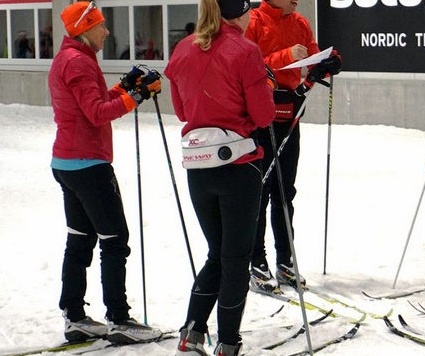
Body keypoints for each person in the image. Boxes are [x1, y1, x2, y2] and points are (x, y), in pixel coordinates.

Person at [165, 0, 275, 355]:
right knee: (234, 259)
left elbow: (182, 109)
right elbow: (262, 115)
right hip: (238, 166)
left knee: (218, 254)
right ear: (239, 12)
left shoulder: (184, 48)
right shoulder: (244, 50)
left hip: (199, 167)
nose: (250, 15)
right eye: (248, 9)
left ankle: (192, 331)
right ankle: (228, 342)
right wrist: (265, 88)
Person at [49, 1, 162, 345]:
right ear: (85, 28)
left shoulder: (72, 58)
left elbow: (90, 104)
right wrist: (137, 96)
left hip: (68, 162)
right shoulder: (79, 62)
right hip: (88, 164)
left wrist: (126, 87)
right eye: (101, 25)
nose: (107, 31)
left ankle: (75, 316)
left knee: (81, 239)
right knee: (115, 239)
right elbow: (98, 113)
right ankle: (119, 318)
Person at [244, 0, 342, 292]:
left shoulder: (299, 22)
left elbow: (313, 54)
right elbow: (246, 64)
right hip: (260, 114)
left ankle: (284, 259)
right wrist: (285, 55)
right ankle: (256, 260)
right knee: (260, 189)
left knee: (285, 189)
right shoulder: (254, 21)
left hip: (291, 109)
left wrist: (329, 61)